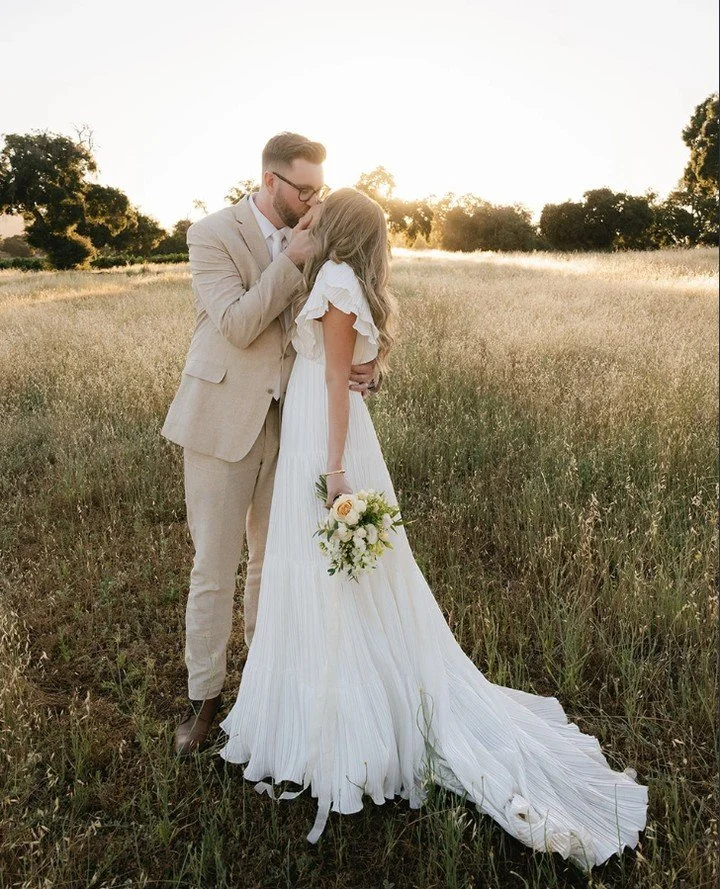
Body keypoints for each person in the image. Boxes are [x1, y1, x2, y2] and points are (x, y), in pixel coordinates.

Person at [216, 187, 648, 871]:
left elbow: (335, 380)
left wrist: (333, 473)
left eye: (320, 213)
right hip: (325, 429)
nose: (309, 216)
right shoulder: (344, 279)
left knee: (330, 575)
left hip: (324, 441)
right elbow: (349, 371)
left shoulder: (331, 279)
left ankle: (345, 724)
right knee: (333, 576)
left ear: (339, 229)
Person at [161, 134, 380, 756]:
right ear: (269, 180)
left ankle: (262, 687)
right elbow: (235, 325)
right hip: (221, 420)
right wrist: (293, 258)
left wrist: (367, 369)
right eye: (303, 188)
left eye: (319, 188)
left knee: (271, 563)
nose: (314, 198)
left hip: (293, 426)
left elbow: (336, 327)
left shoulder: (321, 240)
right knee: (214, 567)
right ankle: (204, 699)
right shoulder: (211, 235)